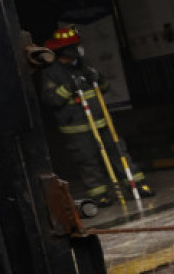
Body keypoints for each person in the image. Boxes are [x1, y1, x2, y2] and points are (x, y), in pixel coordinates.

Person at [38, 25, 155, 207]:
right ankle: (100, 195)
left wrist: (97, 77)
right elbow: (51, 100)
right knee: (88, 162)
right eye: (74, 47)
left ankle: (137, 185)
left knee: (119, 153)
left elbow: (105, 88)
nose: (78, 50)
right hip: (77, 128)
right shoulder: (51, 73)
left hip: (102, 122)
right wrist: (69, 87)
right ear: (64, 51)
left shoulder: (84, 66)